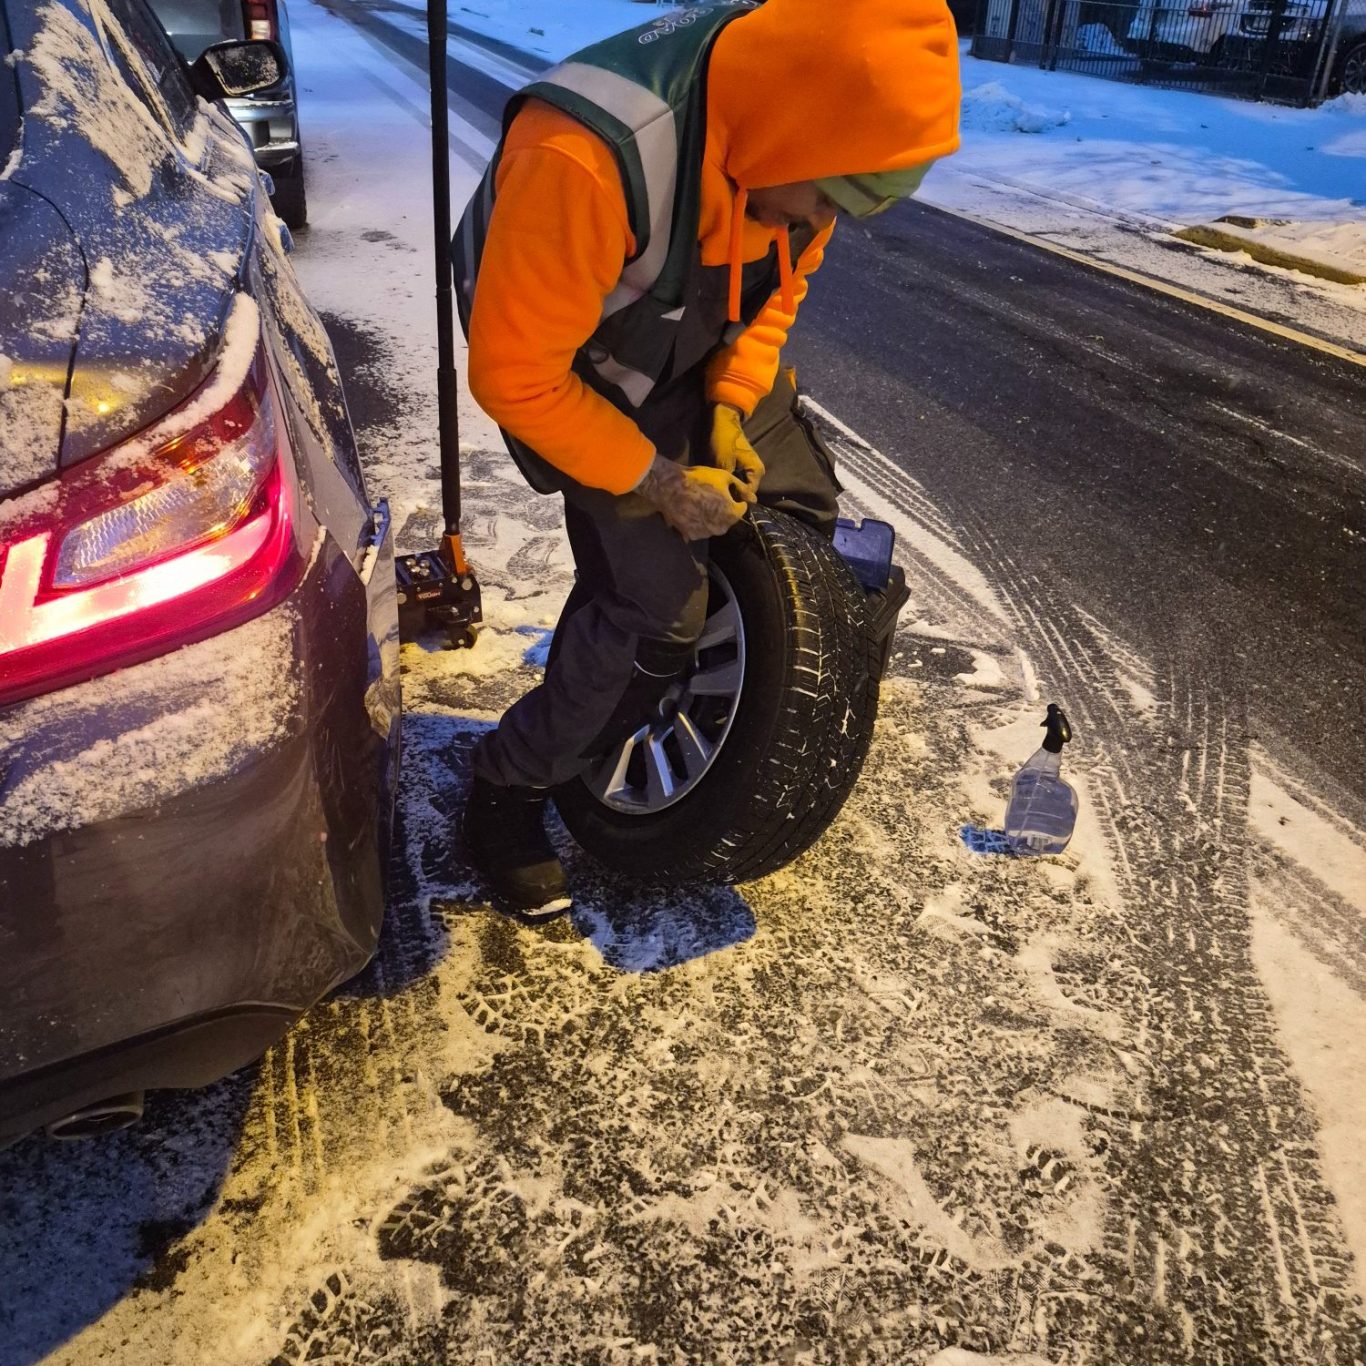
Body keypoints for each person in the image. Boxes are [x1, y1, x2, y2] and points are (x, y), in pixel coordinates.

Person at [453, 0, 961, 917]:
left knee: (796, 504)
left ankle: (710, 656)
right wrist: (654, 479)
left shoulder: (807, 138)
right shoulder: (585, 158)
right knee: (656, 608)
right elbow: (517, 378)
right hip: (570, 357)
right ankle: (511, 783)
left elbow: (776, 287)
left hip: (692, 324)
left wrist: (728, 405)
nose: (821, 219)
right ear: (789, 133)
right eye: (828, 199)